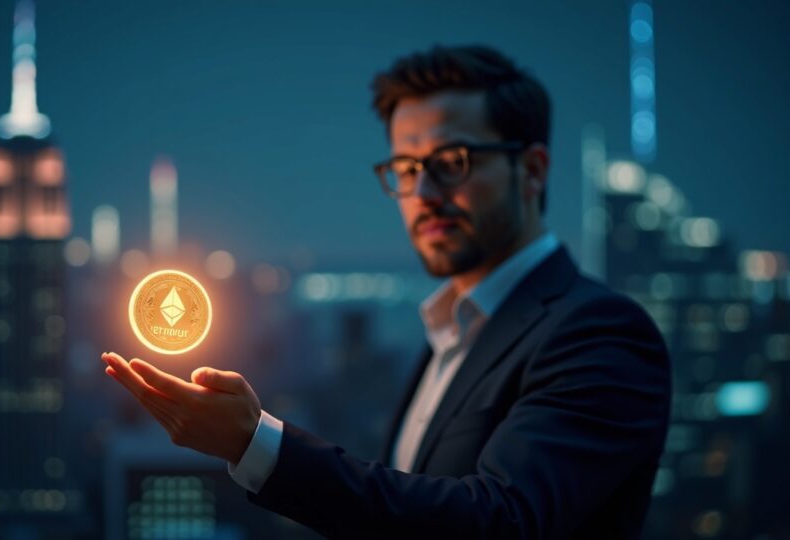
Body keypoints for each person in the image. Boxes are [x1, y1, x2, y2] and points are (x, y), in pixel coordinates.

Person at [102, 44, 672, 539]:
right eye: (405, 167)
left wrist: (257, 445)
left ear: (533, 170)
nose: (422, 191)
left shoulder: (598, 333)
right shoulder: (452, 336)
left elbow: (502, 524)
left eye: (451, 162)